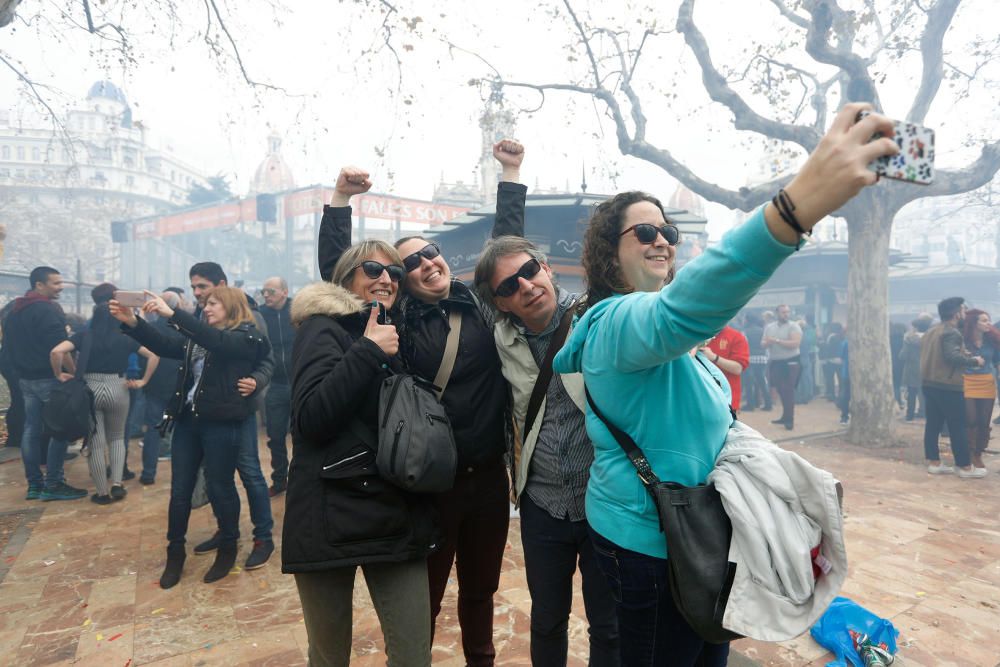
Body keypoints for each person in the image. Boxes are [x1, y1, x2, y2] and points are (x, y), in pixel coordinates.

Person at [551, 104, 900, 666]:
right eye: (644, 231)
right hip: (652, 543)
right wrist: (798, 204)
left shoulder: (667, 336)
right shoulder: (613, 323)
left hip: (706, 533)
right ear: (607, 251)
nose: (662, 239)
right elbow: (681, 312)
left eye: (667, 229)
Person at [317, 148, 524, 666]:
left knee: (480, 592)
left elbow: (505, 249)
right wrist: (340, 201)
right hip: (430, 484)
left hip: (488, 481)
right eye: (410, 262)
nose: (428, 262)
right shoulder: (397, 324)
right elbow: (341, 275)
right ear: (399, 280)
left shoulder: (477, 304)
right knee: (422, 603)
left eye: (430, 251)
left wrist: (510, 176)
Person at [472, 143, 620, 666]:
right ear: (500, 302)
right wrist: (507, 178)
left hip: (605, 500)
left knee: (608, 624)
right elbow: (500, 246)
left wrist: (514, 172)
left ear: (547, 269)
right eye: (510, 285)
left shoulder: (595, 317)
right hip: (542, 506)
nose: (527, 286)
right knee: (547, 618)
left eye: (531, 270)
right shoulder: (499, 334)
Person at [283, 240, 437, 667]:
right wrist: (368, 351)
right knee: (329, 657)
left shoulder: (390, 330)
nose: (385, 278)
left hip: (391, 508)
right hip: (328, 512)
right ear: (347, 277)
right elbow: (311, 418)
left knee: (413, 655)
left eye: (394, 273)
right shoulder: (322, 327)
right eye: (373, 268)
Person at [111, 286, 272, 587]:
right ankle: (175, 551)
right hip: (188, 421)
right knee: (180, 491)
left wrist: (173, 313)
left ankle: (228, 545)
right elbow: (165, 345)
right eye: (205, 304)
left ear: (232, 307)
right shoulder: (199, 338)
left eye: (213, 304)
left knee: (220, 486)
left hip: (223, 424)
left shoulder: (245, 337)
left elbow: (220, 343)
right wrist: (132, 322)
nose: (206, 308)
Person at [184, 262, 276, 571]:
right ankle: (226, 532)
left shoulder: (252, 319)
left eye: (203, 288)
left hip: (240, 409)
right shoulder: (202, 318)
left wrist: (256, 381)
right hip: (211, 413)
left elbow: (266, 360)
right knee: (217, 477)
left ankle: (263, 537)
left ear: (222, 286)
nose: (198, 294)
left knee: (250, 474)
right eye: (194, 288)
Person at [49, 283, 159, 504]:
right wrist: (143, 381)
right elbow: (154, 355)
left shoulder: (83, 336)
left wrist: (60, 374)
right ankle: (117, 484)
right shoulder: (126, 337)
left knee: (95, 442)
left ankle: (101, 492)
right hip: (119, 387)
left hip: (90, 389)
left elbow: (56, 351)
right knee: (117, 438)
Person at [4, 266, 87, 501]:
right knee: (58, 431)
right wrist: (73, 375)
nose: (61, 287)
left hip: (25, 379)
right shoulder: (47, 311)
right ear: (39, 285)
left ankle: (34, 485)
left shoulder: (16, 309)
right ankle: (54, 483)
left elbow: (9, 347)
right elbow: (60, 349)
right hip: (49, 378)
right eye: (56, 283)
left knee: (30, 430)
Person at [920, 296, 985, 479]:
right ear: (957, 314)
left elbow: (941, 355)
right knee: (957, 426)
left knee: (933, 424)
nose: (965, 313)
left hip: (929, 383)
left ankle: (934, 463)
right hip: (948, 386)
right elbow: (951, 357)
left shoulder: (932, 331)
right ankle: (964, 466)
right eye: (963, 310)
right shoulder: (952, 333)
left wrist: (961, 353)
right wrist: (974, 360)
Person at [138, 290, 187, 483]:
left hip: (155, 386)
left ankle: (148, 474)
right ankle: (182, 474)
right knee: (181, 430)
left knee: (153, 429)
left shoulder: (151, 328)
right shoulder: (184, 328)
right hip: (179, 385)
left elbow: (145, 358)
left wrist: (145, 380)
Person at [258, 276, 295, 496]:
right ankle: (280, 479)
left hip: (300, 382)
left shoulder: (298, 310)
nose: (266, 296)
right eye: (263, 292)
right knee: (275, 435)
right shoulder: (261, 314)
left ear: (284, 291)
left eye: (270, 291)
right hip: (276, 384)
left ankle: (302, 480)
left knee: (303, 436)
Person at [961, 309, 1000, 472]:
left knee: (984, 422)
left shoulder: (992, 341)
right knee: (971, 419)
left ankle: (978, 453)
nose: (988, 324)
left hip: (987, 383)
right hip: (967, 382)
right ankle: (969, 452)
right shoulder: (963, 341)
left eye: (988, 320)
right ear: (974, 324)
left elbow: (997, 362)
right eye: (984, 321)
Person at [763, 304, 802, 430]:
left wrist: (777, 341)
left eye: (787, 312)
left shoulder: (794, 326)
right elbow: (763, 342)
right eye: (783, 312)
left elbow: (795, 344)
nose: (786, 314)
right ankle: (785, 416)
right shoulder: (770, 327)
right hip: (776, 361)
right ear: (777, 313)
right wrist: (767, 342)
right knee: (780, 390)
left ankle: (790, 420)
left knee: (788, 391)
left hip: (790, 362)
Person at [703, 325, 750, 413]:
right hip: (701, 396)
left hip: (726, 398)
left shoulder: (736, 336)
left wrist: (714, 357)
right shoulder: (697, 335)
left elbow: (737, 368)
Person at [899, 315, 931, 421]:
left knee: (911, 393)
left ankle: (910, 415)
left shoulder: (908, 339)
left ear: (916, 327)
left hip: (912, 369)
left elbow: (903, 355)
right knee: (925, 393)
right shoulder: (931, 339)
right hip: (927, 369)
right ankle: (924, 413)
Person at [740, 312, 771, 412]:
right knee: (762, 381)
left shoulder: (745, 332)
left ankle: (751, 405)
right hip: (762, 359)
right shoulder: (763, 331)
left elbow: (743, 346)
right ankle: (768, 404)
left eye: (745, 319)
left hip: (750, 358)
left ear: (748, 320)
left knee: (749, 382)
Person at [794, 315, 817, 404]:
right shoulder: (807, 336)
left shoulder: (796, 337)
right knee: (806, 378)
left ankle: (798, 398)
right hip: (806, 357)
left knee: (797, 379)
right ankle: (807, 396)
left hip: (797, 358)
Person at [819, 322, 845, 401]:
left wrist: (821, 342)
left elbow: (828, 348)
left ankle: (831, 395)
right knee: (841, 379)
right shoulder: (841, 336)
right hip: (840, 360)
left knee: (830, 378)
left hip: (831, 360)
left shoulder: (831, 337)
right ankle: (841, 395)